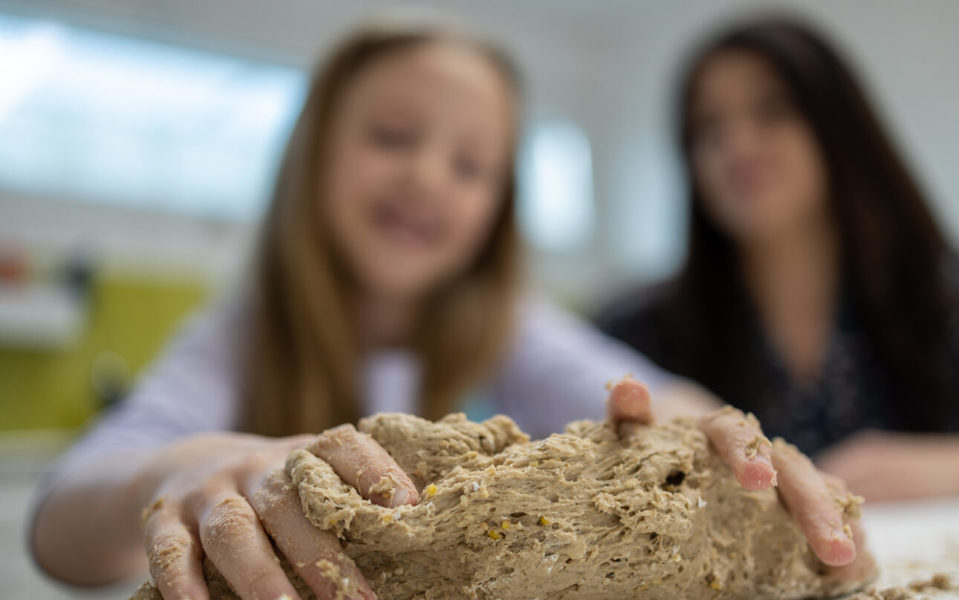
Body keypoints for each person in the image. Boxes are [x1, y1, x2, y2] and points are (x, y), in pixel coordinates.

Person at [30, 20, 869, 600]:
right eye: (392, 136)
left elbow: (643, 401)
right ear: (312, 155)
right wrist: (176, 473)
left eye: (471, 166)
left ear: (496, 212)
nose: (429, 176)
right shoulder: (242, 336)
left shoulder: (508, 327)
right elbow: (60, 519)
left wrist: (717, 435)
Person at [598, 16, 959, 502]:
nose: (737, 145)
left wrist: (957, 469)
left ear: (838, 128)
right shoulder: (638, 331)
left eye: (773, 111)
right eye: (708, 127)